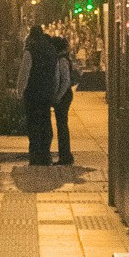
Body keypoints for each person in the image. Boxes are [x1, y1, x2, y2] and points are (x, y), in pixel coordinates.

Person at [18, 22, 58, 165]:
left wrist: (19, 91)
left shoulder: (30, 51)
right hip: (46, 93)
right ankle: (46, 154)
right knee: (45, 122)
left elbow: (24, 73)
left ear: (32, 36)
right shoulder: (51, 50)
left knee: (33, 124)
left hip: (33, 93)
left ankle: (35, 155)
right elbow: (55, 74)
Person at [48, 30, 77, 165]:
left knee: (62, 126)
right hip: (64, 95)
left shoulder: (62, 60)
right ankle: (65, 155)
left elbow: (65, 81)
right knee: (62, 126)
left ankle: (65, 156)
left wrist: (57, 97)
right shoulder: (62, 59)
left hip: (64, 96)